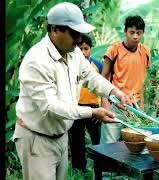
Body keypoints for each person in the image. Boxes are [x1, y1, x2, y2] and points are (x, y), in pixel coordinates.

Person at [12, 2, 131, 180]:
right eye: (74, 33)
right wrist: (92, 112)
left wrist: (115, 92)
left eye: (80, 33)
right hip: (37, 139)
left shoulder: (73, 52)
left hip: (60, 136)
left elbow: (90, 76)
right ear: (54, 30)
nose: (78, 39)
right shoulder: (37, 61)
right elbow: (51, 107)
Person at [100, 15, 150, 143]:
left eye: (138, 33)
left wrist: (142, 105)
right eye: (131, 32)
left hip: (135, 105)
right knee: (109, 144)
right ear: (125, 32)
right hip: (115, 103)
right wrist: (105, 104)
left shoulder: (145, 52)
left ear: (143, 33)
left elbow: (141, 80)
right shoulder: (114, 50)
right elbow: (104, 77)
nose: (135, 36)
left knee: (134, 143)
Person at [68, 34, 103, 171]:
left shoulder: (97, 65)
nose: (83, 52)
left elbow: (102, 84)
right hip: (76, 106)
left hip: (94, 106)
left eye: (86, 49)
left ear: (91, 49)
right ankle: (79, 167)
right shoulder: (71, 65)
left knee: (97, 139)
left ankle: (99, 166)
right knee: (77, 139)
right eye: (80, 48)